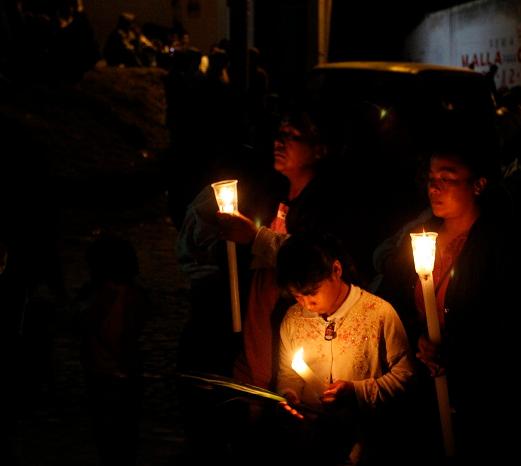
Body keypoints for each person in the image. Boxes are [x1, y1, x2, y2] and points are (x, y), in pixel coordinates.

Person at [176, 100, 337, 464]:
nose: (280, 142)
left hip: (291, 349)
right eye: (279, 134)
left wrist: (255, 237)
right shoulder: (277, 197)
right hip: (254, 337)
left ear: (320, 149)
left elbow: (313, 262)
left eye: (293, 137)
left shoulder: (324, 206)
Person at [374, 137, 521, 461]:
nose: (435, 187)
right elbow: (391, 302)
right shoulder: (419, 238)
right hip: (421, 389)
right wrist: (417, 337)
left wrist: (458, 349)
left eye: (447, 178)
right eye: (431, 179)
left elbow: (511, 320)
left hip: (480, 393)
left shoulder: (498, 245)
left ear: (478, 184)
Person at [275, 232, 414, 466]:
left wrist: (356, 392)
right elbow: (288, 372)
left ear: (336, 270)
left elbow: (405, 376)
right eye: (298, 296)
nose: (307, 304)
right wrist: (289, 394)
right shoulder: (293, 318)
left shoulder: (378, 314)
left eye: (312, 293)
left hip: (369, 443)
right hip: (312, 443)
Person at [76, 233, 150, 466]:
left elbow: (91, 328)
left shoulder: (99, 297)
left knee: (109, 438)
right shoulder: (135, 295)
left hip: (104, 374)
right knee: (126, 435)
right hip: (126, 371)